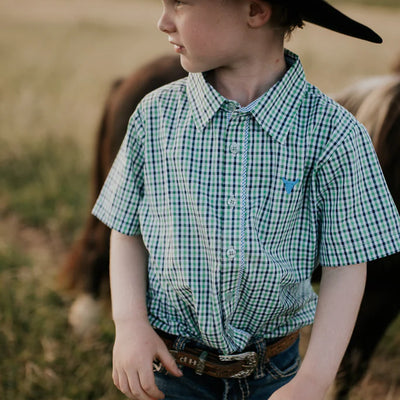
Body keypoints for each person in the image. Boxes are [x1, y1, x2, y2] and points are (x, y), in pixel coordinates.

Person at [92, 1, 400, 399]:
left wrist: (315, 378)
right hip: (170, 365)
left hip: (275, 373)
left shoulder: (335, 134)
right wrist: (130, 322)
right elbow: (126, 228)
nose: (163, 21)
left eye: (180, 4)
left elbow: (347, 264)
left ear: (256, 10)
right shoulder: (156, 115)